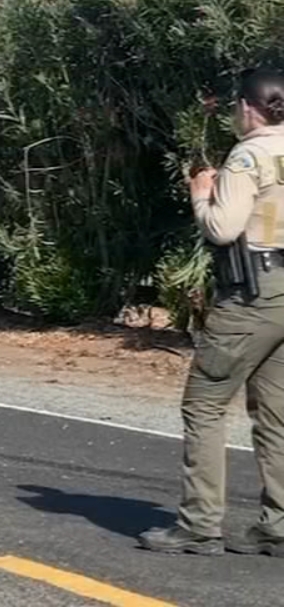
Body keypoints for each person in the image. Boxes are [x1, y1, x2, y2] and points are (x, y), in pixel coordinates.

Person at [139, 68, 284, 556]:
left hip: (251, 293)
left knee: (204, 403)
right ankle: (278, 524)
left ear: (247, 108)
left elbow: (222, 229)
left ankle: (199, 524)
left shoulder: (248, 155)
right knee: (275, 412)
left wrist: (203, 194)